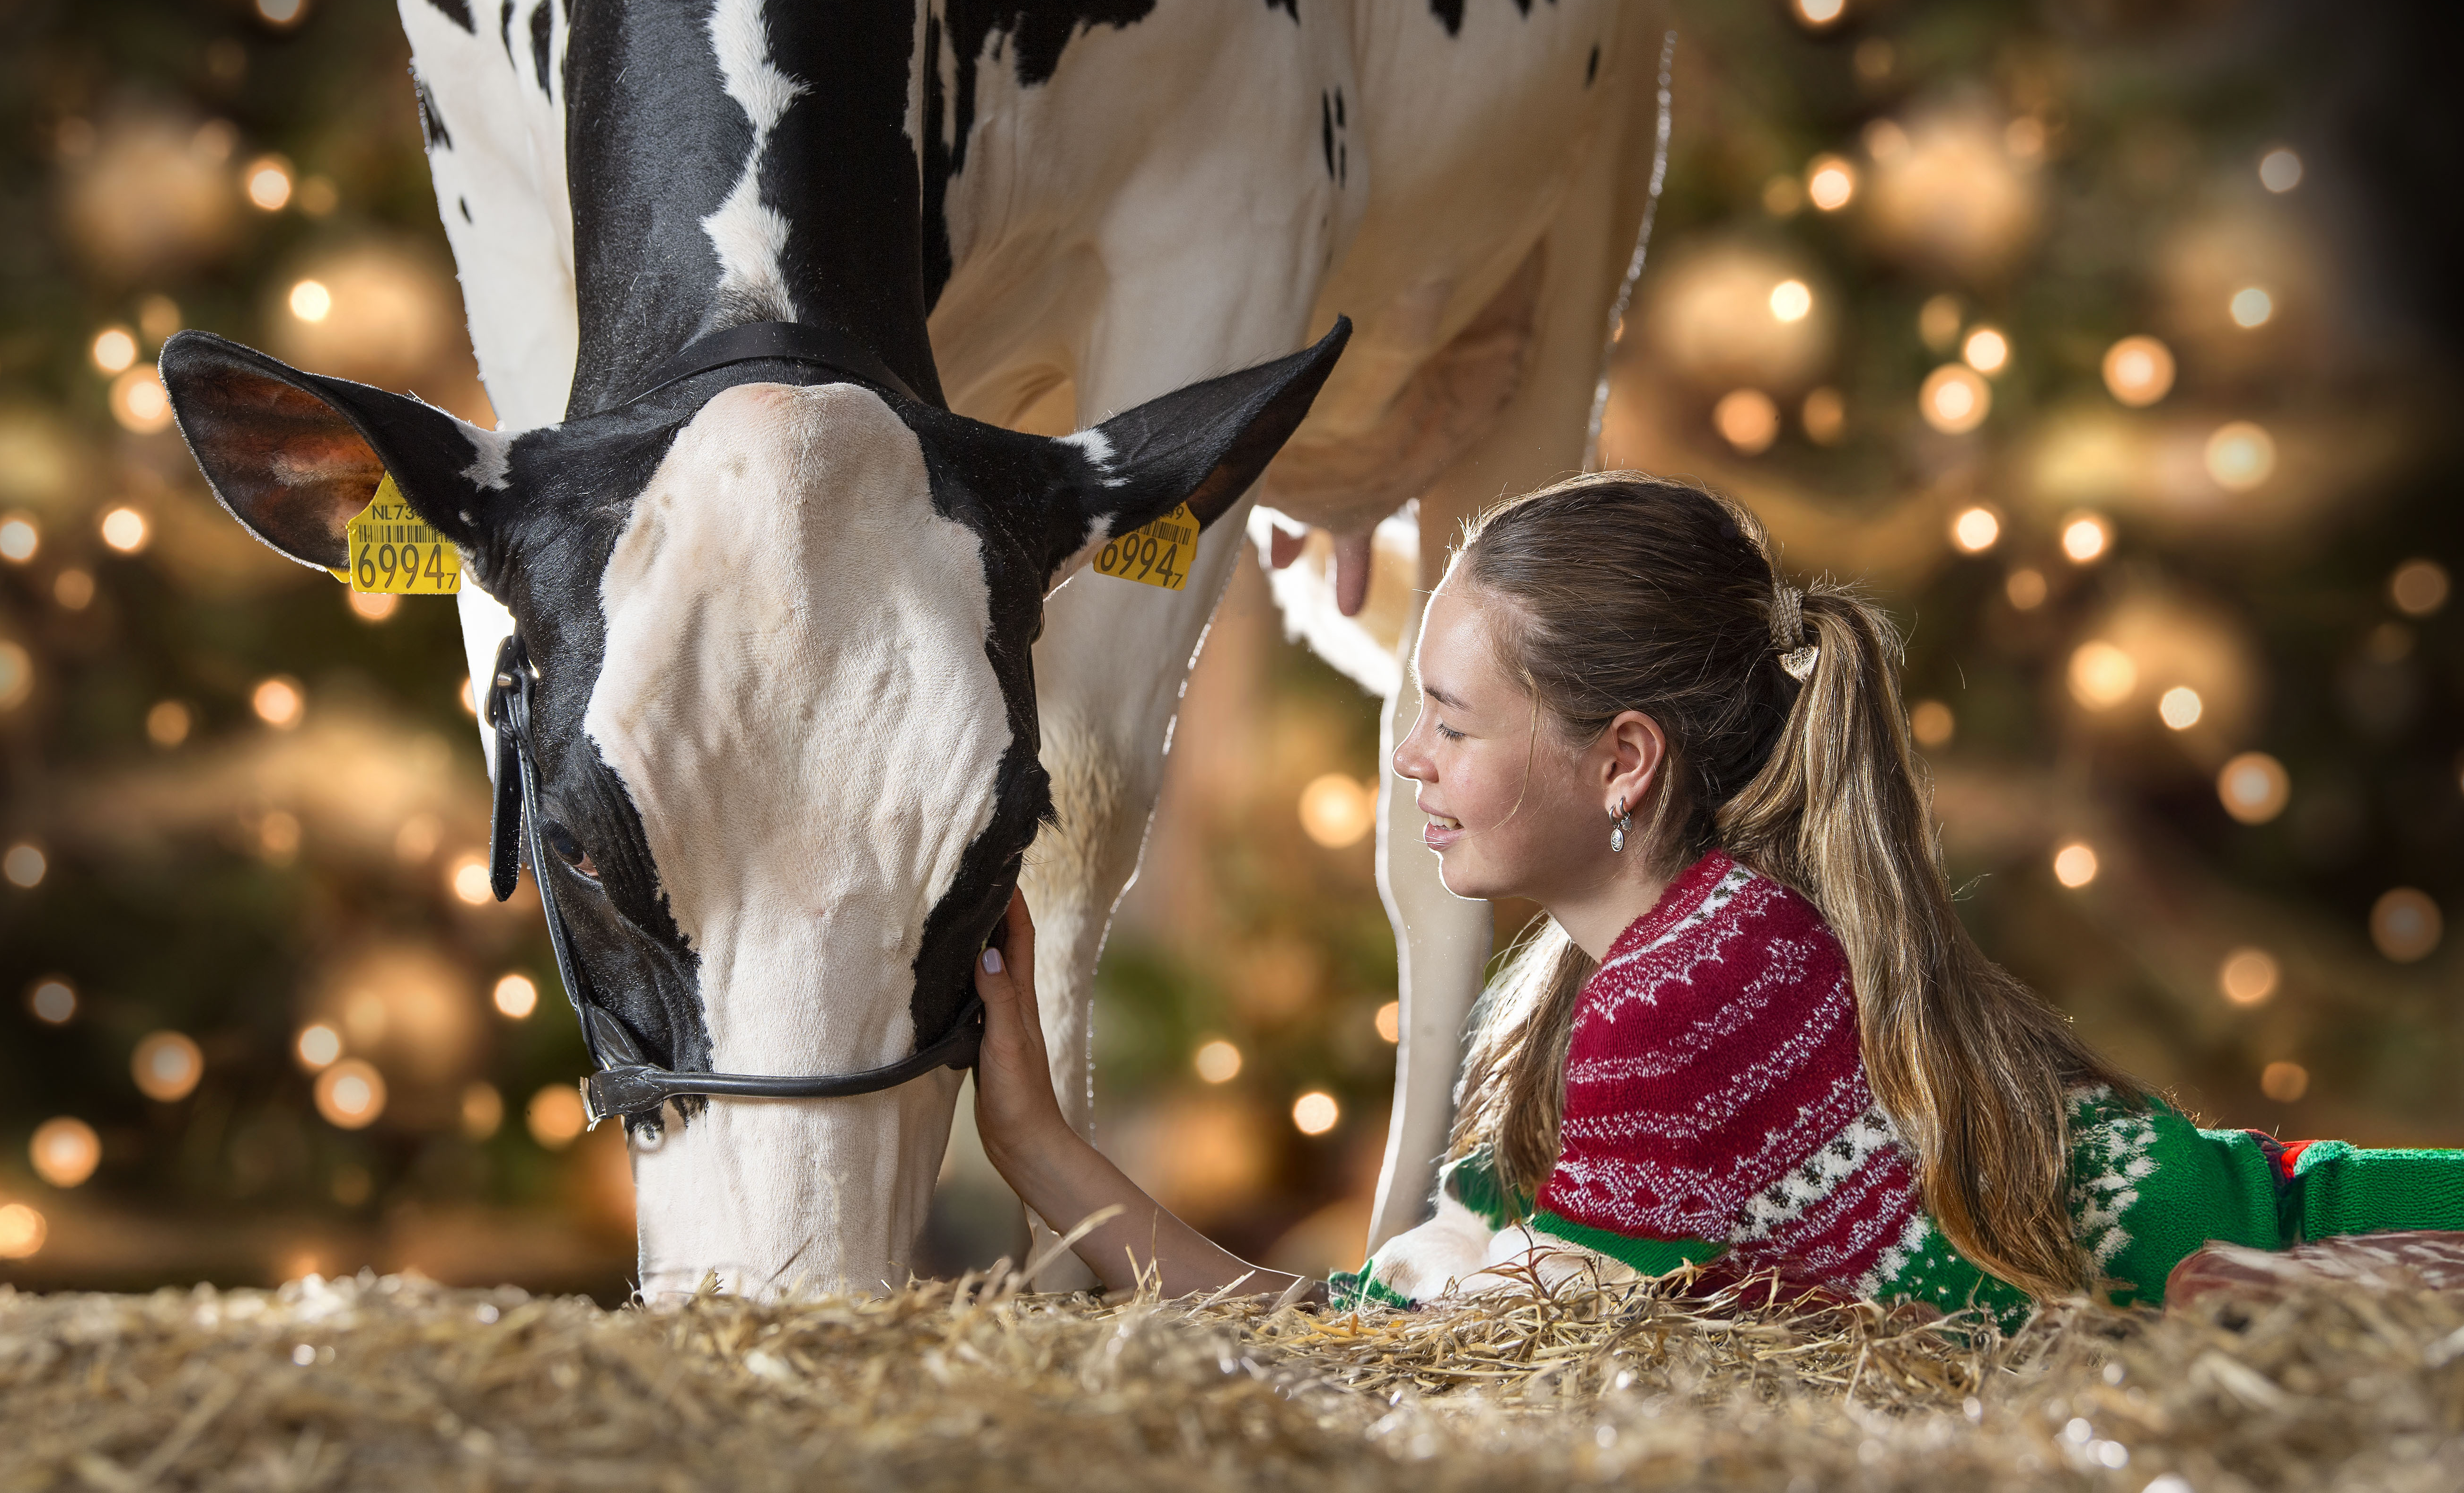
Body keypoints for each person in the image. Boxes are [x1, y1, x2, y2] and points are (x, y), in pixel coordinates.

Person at [970, 470, 2464, 1323]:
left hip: (2313, 1257)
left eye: (1453, 721)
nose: (1409, 758)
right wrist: (1043, 1147)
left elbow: (1395, 1368)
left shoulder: (1693, 988)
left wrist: (1040, 1149)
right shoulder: (1604, 974)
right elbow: (1391, 1324)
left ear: (1624, 759)